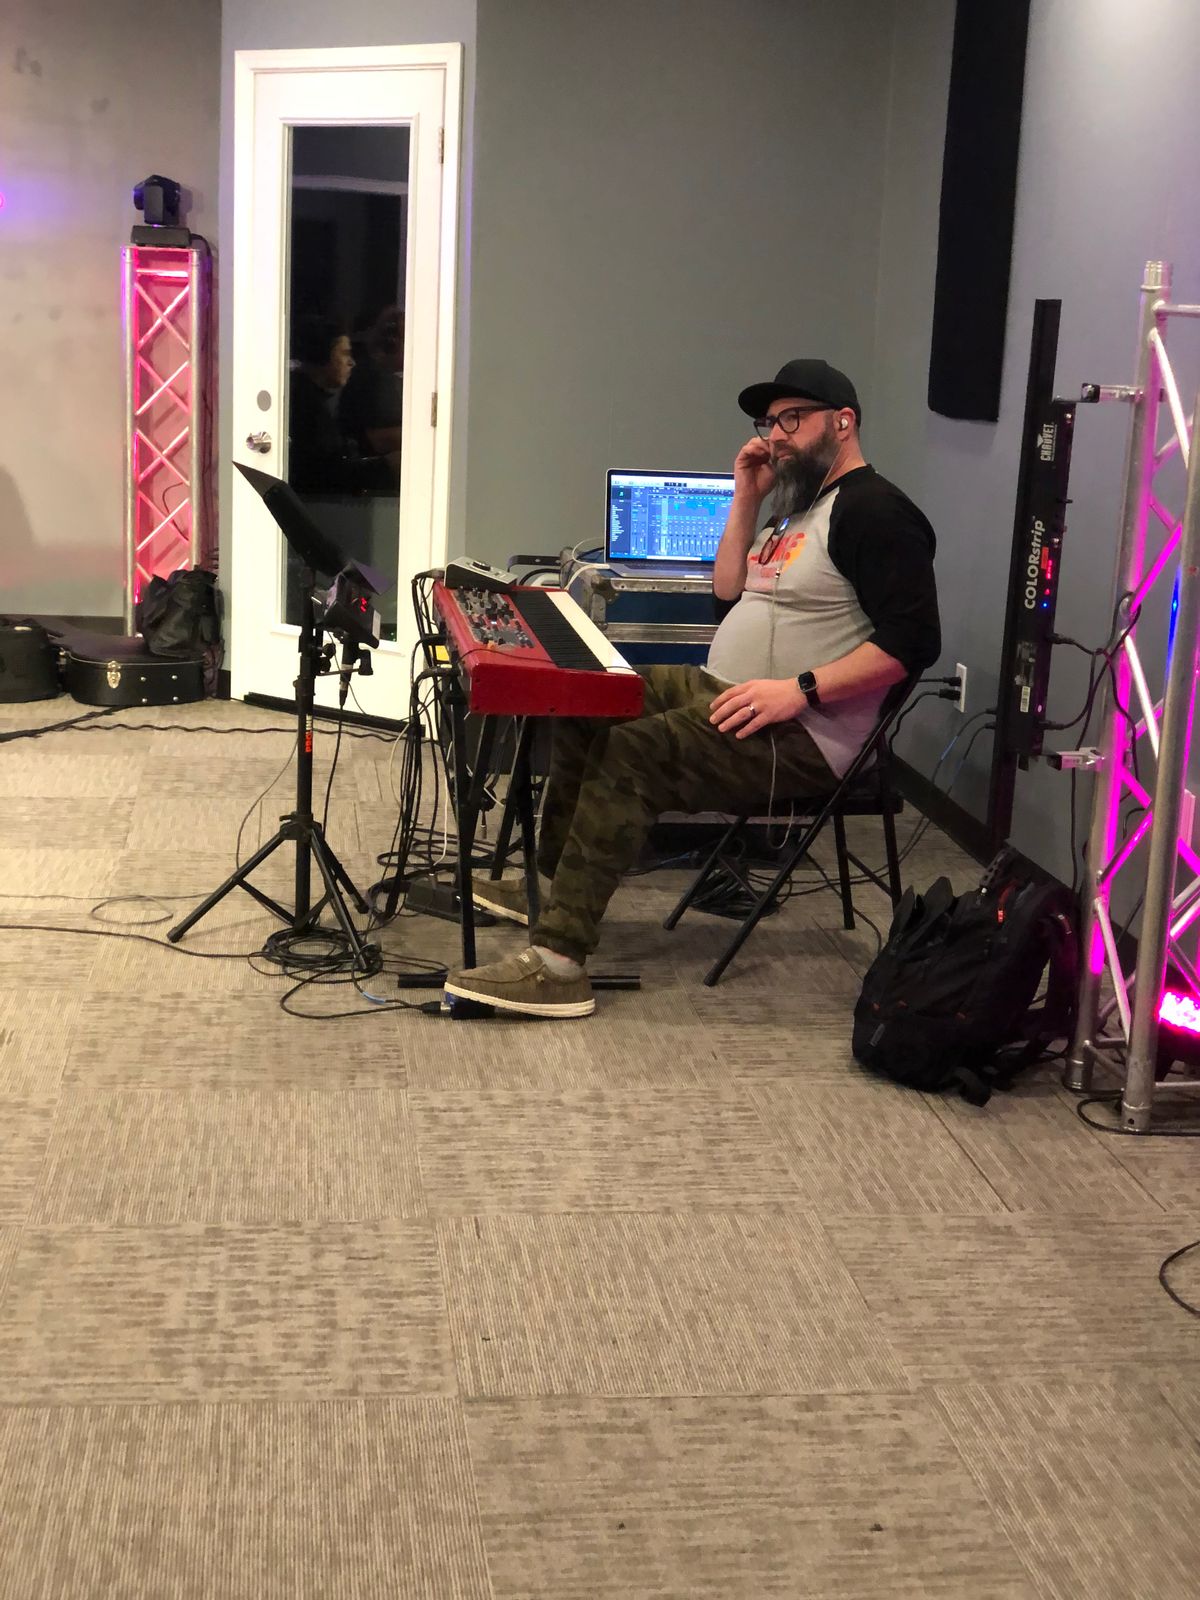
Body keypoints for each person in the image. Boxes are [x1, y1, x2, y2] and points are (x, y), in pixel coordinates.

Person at [444, 358, 941, 1018]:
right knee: (595, 696)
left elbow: (914, 643)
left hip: (800, 733)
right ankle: (552, 884)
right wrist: (746, 497)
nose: (776, 435)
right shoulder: (799, 509)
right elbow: (727, 594)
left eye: (793, 419)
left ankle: (559, 963)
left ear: (843, 423)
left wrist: (800, 690)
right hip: (725, 689)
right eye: (770, 422)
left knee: (634, 753)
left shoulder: (876, 512)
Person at [287, 314, 398, 496]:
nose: (351, 362)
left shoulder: (311, 398)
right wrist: (387, 466)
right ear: (322, 356)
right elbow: (327, 475)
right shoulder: (306, 408)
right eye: (344, 353)